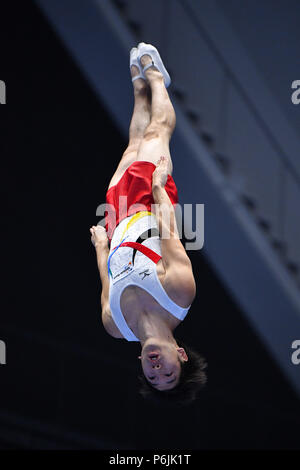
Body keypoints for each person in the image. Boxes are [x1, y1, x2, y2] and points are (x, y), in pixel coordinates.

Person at [90, 43, 207, 405]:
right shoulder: (179, 294)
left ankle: (139, 87)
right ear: (181, 355)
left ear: (141, 364)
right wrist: (159, 190)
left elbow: (107, 282)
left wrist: (101, 246)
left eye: (153, 377)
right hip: (148, 206)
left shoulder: (115, 326)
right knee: (156, 134)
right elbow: (170, 235)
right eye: (168, 373)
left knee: (132, 146)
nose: (158, 370)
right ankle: (156, 77)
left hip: (117, 218)